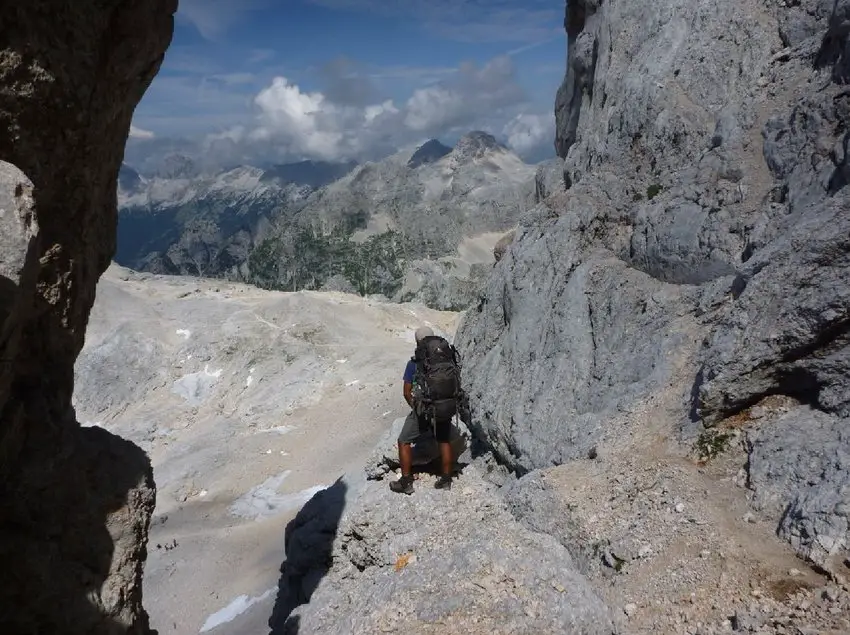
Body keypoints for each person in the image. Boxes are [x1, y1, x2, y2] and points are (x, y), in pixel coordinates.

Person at [390, 325, 455, 494]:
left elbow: (406, 392)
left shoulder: (414, 363)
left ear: (418, 342)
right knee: (444, 440)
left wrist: (417, 409)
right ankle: (446, 479)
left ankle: (406, 482)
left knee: (403, 440)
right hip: (444, 404)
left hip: (424, 407)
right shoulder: (447, 359)